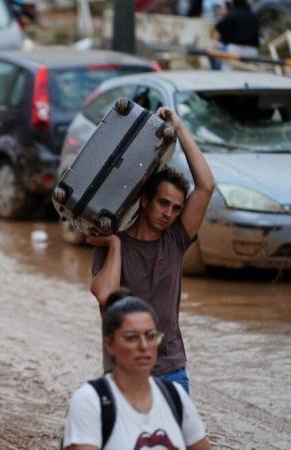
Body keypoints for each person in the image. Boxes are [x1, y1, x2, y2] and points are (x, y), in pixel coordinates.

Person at [88, 107, 215, 393]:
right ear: (145, 200)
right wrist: (116, 245)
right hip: (124, 374)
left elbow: (206, 186)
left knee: (175, 438)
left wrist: (179, 128)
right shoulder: (111, 241)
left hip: (171, 369)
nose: (169, 213)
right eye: (163, 203)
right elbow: (105, 295)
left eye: (176, 208)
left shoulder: (175, 240)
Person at [62, 290, 212, 450]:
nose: (144, 346)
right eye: (131, 337)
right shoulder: (89, 402)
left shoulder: (175, 397)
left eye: (150, 335)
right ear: (110, 345)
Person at [210, 0, 259, 70]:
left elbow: (218, 32)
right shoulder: (253, 15)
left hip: (236, 50)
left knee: (213, 51)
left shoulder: (232, 14)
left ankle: (217, 72)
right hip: (253, 52)